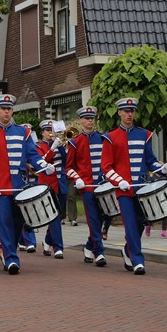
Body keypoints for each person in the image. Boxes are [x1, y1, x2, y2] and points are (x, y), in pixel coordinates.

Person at [0, 94, 53, 275]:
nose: (6, 112)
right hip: (0, 188)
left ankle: (7, 251)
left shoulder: (23, 132)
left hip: (20, 186)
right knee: (4, 222)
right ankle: (11, 257)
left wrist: (45, 166)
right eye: (3, 109)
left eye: (9, 109)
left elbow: (32, 155)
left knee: (19, 222)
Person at [101, 97, 167, 275]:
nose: (129, 114)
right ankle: (138, 261)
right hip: (123, 190)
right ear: (119, 113)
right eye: (126, 111)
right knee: (130, 224)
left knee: (141, 223)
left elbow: (150, 161)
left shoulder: (144, 134)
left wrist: (161, 168)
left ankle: (128, 250)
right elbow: (106, 167)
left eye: (132, 111)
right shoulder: (110, 137)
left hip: (141, 188)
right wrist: (119, 181)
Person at [66, 106, 107, 267]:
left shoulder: (103, 139)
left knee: (103, 217)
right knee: (93, 219)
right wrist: (77, 179)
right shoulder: (75, 142)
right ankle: (99, 252)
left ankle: (89, 246)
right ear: (81, 121)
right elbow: (69, 167)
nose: (90, 121)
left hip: (102, 186)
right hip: (87, 187)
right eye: (87, 118)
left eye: (92, 118)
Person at [37, 120, 68, 258]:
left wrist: (61, 146)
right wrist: (53, 148)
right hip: (48, 184)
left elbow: (67, 161)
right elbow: (41, 162)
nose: (51, 132)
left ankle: (48, 240)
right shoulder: (38, 146)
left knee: (59, 216)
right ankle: (58, 247)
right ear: (43, 132)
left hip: (61, 183)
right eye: (48, 130)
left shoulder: (60, 143)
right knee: (54, 216)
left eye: (52, 130)